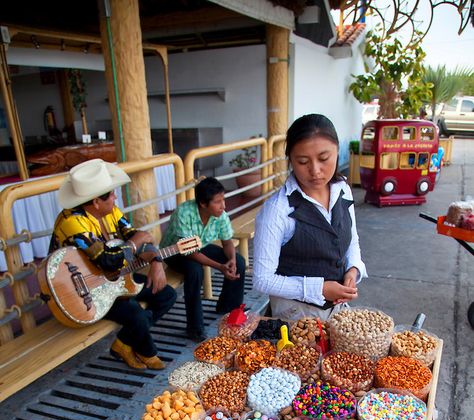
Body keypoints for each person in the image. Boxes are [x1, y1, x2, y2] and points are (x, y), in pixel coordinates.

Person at [50, 158, 177, 369]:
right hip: (82, 292)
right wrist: (136, 242)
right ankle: (146, 351)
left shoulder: (111, 212)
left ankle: (123, 343)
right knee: (135, 312)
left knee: (166, 295)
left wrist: (156, 261)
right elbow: (109, 261)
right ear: (95, 202)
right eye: (110, 195)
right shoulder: (72, 222)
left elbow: (137, 237)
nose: (115, 197)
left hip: (113, 279)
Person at [253, 114, 367, 321]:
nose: (315, 171)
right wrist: (318, 288)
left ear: (337, 150)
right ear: (290, 160)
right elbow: (263, 280)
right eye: (303, 161)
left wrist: (353, 269)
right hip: (295, 314)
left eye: (324, 159)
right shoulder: (277, 210)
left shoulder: (342, 189)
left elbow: (351, 239)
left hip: (336, 311)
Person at [162, 177, 246, 342]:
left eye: (224, 200)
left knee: (240, 262)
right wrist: (220, 266)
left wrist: (232, 261)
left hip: (200, 245)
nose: (224, 206)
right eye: (218, 202)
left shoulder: (220, 214)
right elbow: (190, 253)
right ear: (202, 203)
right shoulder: (184, 213)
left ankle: (228, 309)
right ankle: (195, 328)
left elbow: (227, 241)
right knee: (195, 271)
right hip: (175, 251)